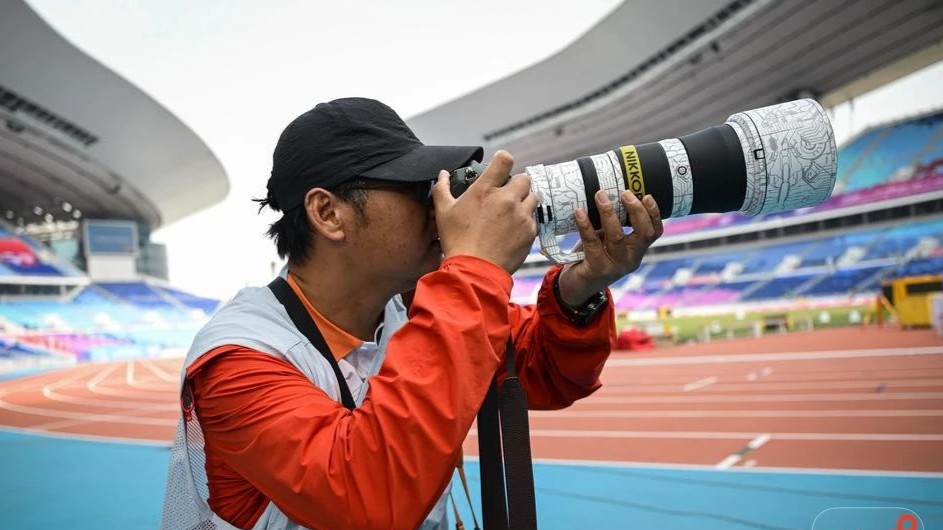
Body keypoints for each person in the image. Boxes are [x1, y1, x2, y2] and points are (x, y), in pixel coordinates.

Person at [160, 97, 663, 530]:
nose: (438, 205)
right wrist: (475, 270)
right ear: (329, 213)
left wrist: (581, 289)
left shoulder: (414, 301)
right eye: (414, 187)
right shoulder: (237, 361)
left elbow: (542, 373)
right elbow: (366, 498)